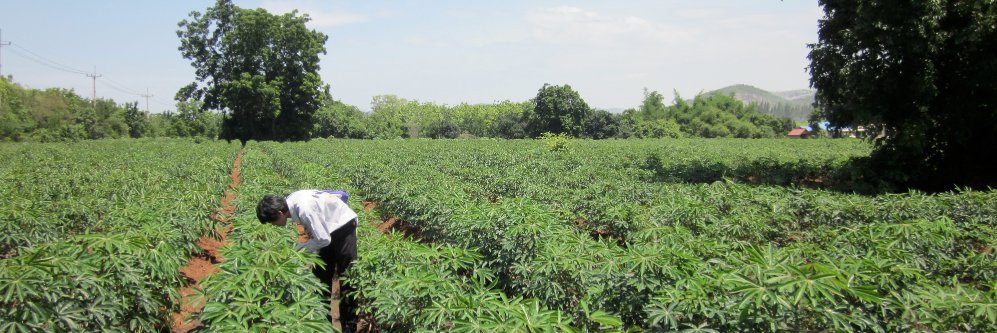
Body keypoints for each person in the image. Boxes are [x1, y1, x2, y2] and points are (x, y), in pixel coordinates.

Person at [256, 189, 357, 332]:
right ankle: (323, 325)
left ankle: (349, 328)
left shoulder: (304, 208)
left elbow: (323, 240)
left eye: (273, 222)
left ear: (280, 213)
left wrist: (299, 248)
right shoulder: (290, 201)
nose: (273, 225)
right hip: (327, 229)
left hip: (343, 227)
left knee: (347, 279)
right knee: (321, 278)